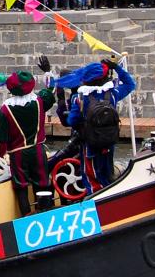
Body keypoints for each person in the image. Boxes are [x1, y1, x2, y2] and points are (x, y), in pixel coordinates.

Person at [55, 59, 136, 188]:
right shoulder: (113, 94)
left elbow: (71, 121)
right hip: (109, 143)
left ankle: (95, 202)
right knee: (108, 176)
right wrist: (116, 67)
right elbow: (130, 84)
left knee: (92, 179)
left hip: (90, 145)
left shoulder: (79, 98)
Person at [0, 71, 56, 215]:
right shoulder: (40, 102)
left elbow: (1, 139)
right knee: (42, 181)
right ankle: (45, 212)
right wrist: (48, 71)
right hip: (38, 150)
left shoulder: (4, 111)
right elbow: (51, 90)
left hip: (18, 154)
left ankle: (25, 215)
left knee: (21, 186)